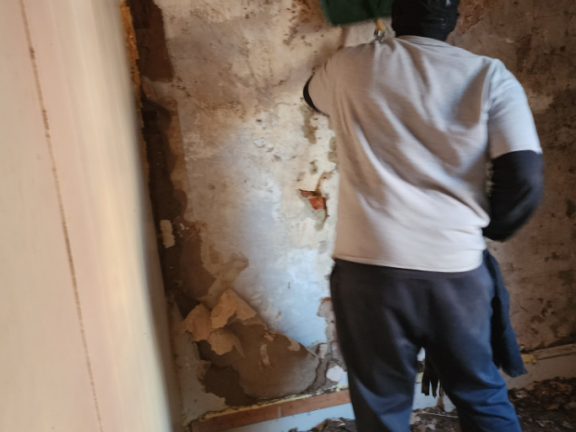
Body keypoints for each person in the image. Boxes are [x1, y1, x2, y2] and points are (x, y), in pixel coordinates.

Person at [303, 0, 543, 431]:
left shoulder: (348, 65)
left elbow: (311, 97)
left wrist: (362, 62)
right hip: (454, 269)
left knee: (382, 405)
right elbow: (524, 174)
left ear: (397, 14)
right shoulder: (489, 74)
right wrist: (490, 228)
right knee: (481, 394)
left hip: (368, 269)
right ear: (454, 19)